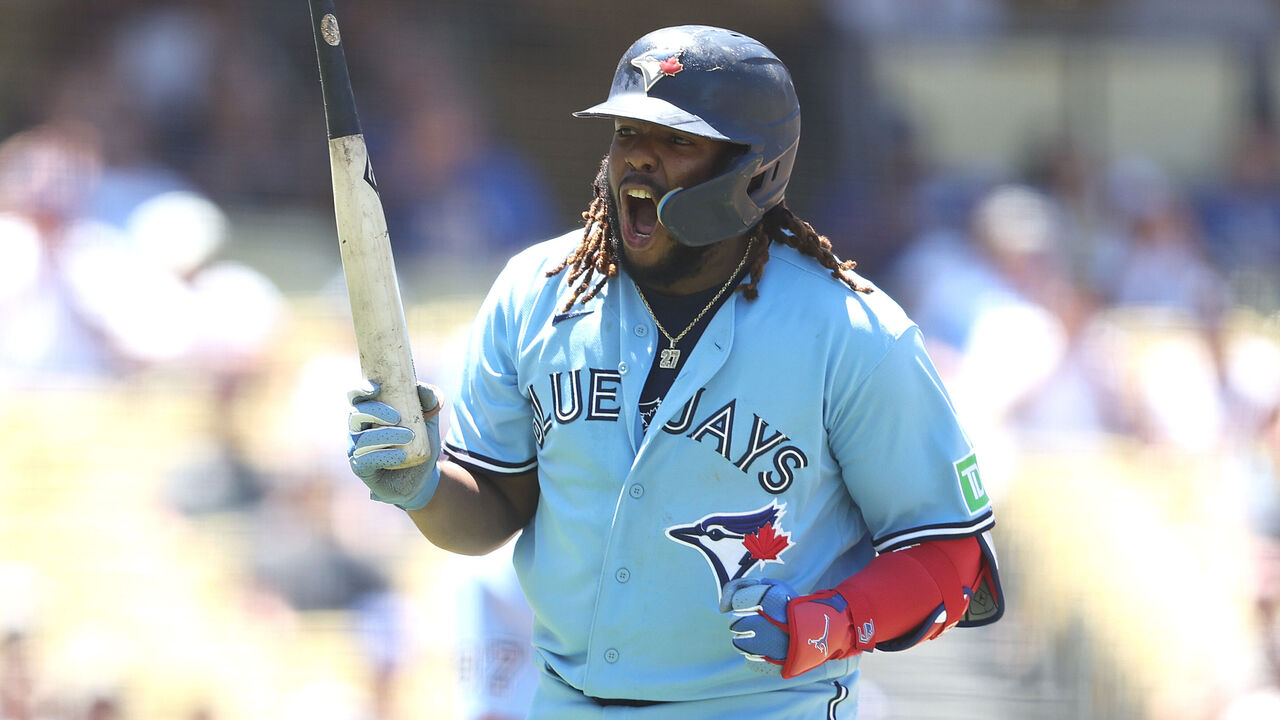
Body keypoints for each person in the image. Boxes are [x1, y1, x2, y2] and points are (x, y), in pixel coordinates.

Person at [345, 25, 1003, 718]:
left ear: (756, 167)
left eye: (678, 141)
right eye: (629, 132)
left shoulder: (854, 334)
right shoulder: (534, 292)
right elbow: (494, 506)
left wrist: (832, 621)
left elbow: (949, 560)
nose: (640, 159)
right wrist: (423, 485)